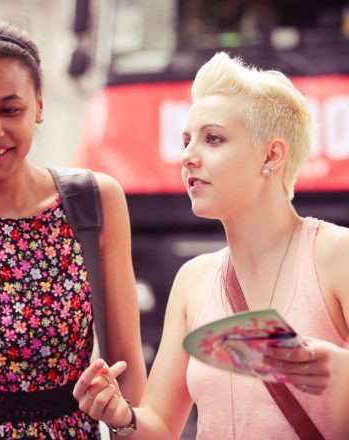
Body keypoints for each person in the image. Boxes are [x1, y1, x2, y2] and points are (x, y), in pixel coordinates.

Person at [73, 52, 349, 439]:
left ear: (271, 156)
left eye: (213, 139)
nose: (186, 157)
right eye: (186, 141)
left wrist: (339, 369)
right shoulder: (193, 280)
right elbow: (160, 428)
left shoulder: (338, 256)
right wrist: (122, 417)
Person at [0, 20, 146, 439]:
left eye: (9, 109)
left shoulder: (94, 202)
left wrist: (121, 414)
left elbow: (129, 378)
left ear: (38, 105)